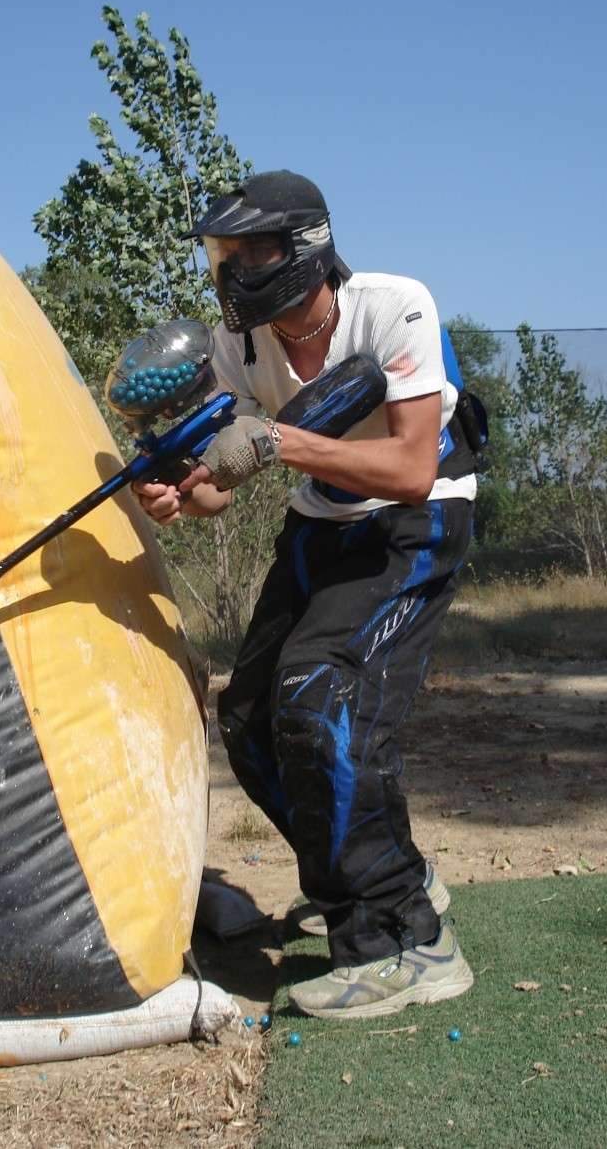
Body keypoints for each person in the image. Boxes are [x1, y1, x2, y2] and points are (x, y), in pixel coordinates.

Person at [133, 170, 481, 1020]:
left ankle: (403, 936)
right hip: (319, 524)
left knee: (320, 693)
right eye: (223, 254)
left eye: (247, 252)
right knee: (252, 722)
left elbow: (409, 467)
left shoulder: (394, 306)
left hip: (416, 520)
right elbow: (224, 481)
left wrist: (279, 441)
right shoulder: (239, 344)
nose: (230, 271)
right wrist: (185, 491)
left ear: (302, 249)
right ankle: (380, 870)